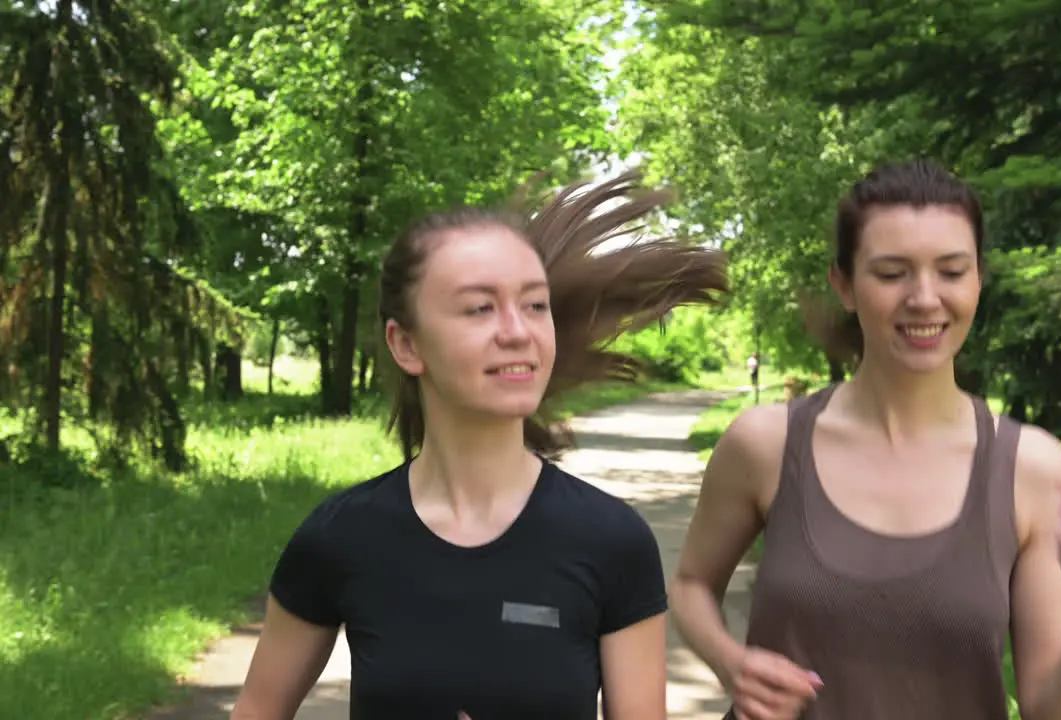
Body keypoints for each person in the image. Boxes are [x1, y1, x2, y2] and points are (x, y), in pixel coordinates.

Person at [230, 170, 729, 720]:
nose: (517, 331)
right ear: (406, 343)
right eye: (478, 308)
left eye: (535, 305)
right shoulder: (341, 536)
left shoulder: (612, 542)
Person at [670, 159, 1061, 720]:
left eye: (951, 271)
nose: (924, 298)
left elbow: (1051, 714)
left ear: (977, 280)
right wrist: (731, 663)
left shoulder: (1032, 469)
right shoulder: (765, 444)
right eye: (892, 273)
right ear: (844, 285)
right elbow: (691, 583)